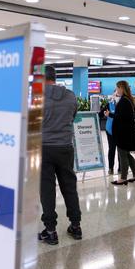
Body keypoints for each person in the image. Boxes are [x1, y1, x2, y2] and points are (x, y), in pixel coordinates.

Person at [38, 65, 82, 245]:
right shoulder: (70, 96)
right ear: (55, 78)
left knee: (47, 189)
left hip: (44, 148)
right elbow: (72, 117)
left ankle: (50, 231)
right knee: (69, 186)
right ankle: (76, 226)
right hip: (65, 147)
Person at [105, 81, 135, 185]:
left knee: (123, 155)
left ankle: (123, 177)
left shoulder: (124, 101)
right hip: (127, 132)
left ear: (122, 88)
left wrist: (110, 115)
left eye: (117, 88)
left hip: (123, 133)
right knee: (127, 154)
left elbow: (121, 117)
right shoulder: (128, 100)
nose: (116, 91)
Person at [101, 91, 120, 176]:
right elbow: (100, 114)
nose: (116, 96)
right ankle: (111, 168)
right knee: (111, 149)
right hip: (110, 130)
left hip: (120, 131)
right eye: (115, 94)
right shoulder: (109, 104)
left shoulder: (122, 104)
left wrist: (110, 114)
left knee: (120, 150)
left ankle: (120, 168)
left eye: (117, 95)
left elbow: (119, 116)